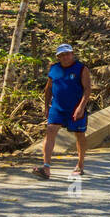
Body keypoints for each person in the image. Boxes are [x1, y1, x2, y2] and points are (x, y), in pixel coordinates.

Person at [34, 43, 92, 180]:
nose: (65, 57)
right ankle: (46, 167)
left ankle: (80, 164)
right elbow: (48, 89)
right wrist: (46, 106)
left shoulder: (81, 69)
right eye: (62, 55)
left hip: (75, 108)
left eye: (67, 54)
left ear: (72, 54)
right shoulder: (54, 69)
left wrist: (81, 107)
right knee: (50, 131)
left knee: (79, 135)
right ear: (58, 57)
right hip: (57, 108)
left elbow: (87, 89)